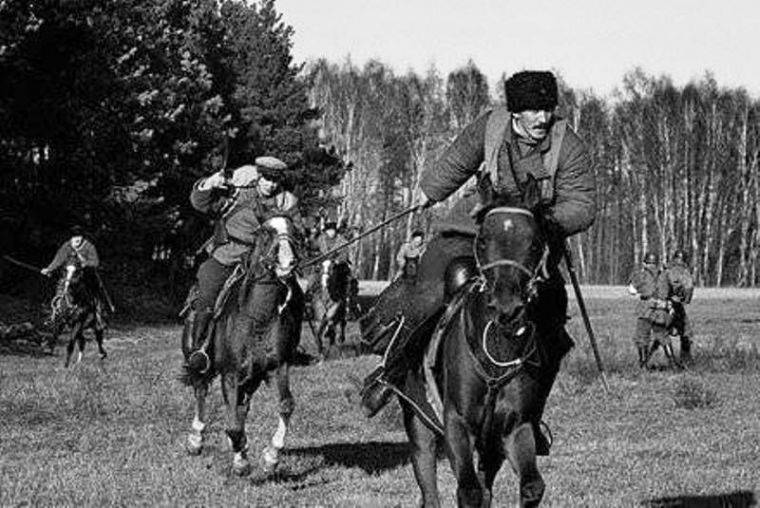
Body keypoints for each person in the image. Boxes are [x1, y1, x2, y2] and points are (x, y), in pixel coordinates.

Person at [360, 70, 596, 455]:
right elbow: (457, 159)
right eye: (533, 110)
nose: (542, 118)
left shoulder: (566, 143)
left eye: (548, 110)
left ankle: (529, 418)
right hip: (474, 227)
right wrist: (429, 192)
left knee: (553, 314)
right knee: (435, 285)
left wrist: (548, 222)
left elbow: (584, 203)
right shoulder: (491, 127)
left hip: (527, 241)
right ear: (515, 111)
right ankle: (392, 371)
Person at [184, 156, 301, 360]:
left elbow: (296, 230)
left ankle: (288, 348)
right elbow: (201, 203)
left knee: (295, 297)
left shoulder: (285, 202)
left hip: (266, 262)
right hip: (228, 256)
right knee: (208, 291)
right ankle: (200, 348)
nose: (271, 184)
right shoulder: (237, 194)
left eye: (275, 180)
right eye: (266, 178)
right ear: (259, 176)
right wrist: (210, 184)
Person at [41, 226, 108, 327]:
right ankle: (55, 314)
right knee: (61, 286)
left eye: (79, 236)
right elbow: (58, 259)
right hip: (68, 273)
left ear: (82, 237)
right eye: (74, 236)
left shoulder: (89, 247)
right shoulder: (66, 246)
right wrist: (49, 269)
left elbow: (95, 262)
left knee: (94, 289)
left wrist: (85, 263)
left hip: (84, 273)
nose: (77, 239)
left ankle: (99, 316)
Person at [627, 252, 670, 366]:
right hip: (661, 310)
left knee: (642, 337)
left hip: (646, 309)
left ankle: (643, 364)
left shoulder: (642, 275)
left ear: (645, 263)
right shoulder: (664, 274)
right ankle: (673, 362)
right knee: (663, 336)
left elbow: (632, 291)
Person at [663, 249, 694, 362]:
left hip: (664, 305)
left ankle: (669, 360)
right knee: (686, 332)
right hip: (676, 305)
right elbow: (688, 288)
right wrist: (685, 299)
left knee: (662, 333)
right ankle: (685, 361)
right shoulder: (683, 271)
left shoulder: (666, 269)